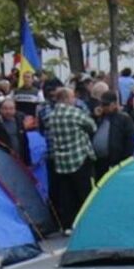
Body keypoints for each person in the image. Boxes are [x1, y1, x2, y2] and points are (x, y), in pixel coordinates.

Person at [44, 84, 97, 229]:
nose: (74, 99)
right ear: (66, 98)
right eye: (73, 97)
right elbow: (92, 126)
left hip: (61, 160)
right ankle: (87, 222)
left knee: (66, 195)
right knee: (84, 192)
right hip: (79, 156)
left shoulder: (50, 116)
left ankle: (67, 225)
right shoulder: (74, 113)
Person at [93, 92, 134, 178]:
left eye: (106, 104)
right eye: (101, 104)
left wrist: (124, 161)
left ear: (114, 104)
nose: (103, 107)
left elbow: (131, 141)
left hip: (115, 161)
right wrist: (94, 116)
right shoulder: (99, 117)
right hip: (99, 161)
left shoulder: (124, 119)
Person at [0, 99, 30, 166]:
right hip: (1, 162)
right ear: (0, 109)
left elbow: (25, 142)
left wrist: (28, 163)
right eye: (5, 109)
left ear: (15, 110)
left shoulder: (19, 122)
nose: (8, 111)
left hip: (19, 161)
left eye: (11, 109)